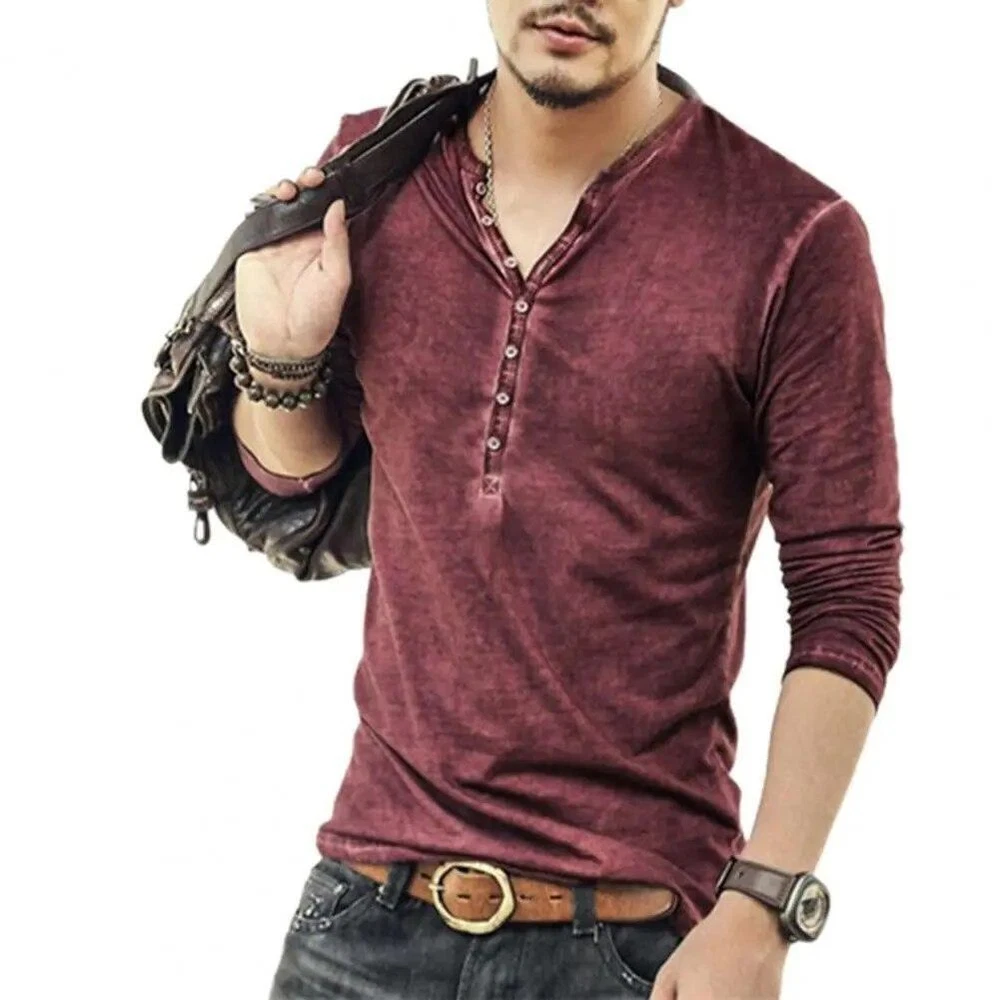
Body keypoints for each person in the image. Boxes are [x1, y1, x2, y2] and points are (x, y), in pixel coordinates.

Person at [228, 2, 903, 998]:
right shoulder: (375, 173)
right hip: (361, 915)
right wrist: (281, 361)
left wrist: (763, 903)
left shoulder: (789, 237)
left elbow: (848, 595)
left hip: (627, 939)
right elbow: (297, 486)